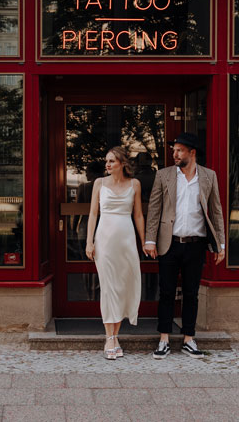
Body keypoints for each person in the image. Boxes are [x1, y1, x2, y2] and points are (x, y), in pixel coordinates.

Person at [143, 132, 226, 359]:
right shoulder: (164, 175)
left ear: (192, 153)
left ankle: (189, 338)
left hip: (196, 244)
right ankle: (164, 340)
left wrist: (221, 244)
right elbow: (154, 209)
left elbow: (216, 211)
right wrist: (150, 240)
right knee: (167, 291)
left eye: (179, 150)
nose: (175, 154)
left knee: (191, 293)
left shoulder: (208, 176)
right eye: (174, 150)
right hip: (169, 243)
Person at [85, 146, 144, 360]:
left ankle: (115, 335)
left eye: (111, 161)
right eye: (106, 161)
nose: (107, 165)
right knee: (109, 287)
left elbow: (138, 215)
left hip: (127, 241)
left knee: (122, 286)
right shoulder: (99, 184)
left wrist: (144, 240)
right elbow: (93, 214)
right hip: (104, 241)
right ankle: (109, 337)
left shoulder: (134, 184)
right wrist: (89, 242)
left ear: (122, 163)